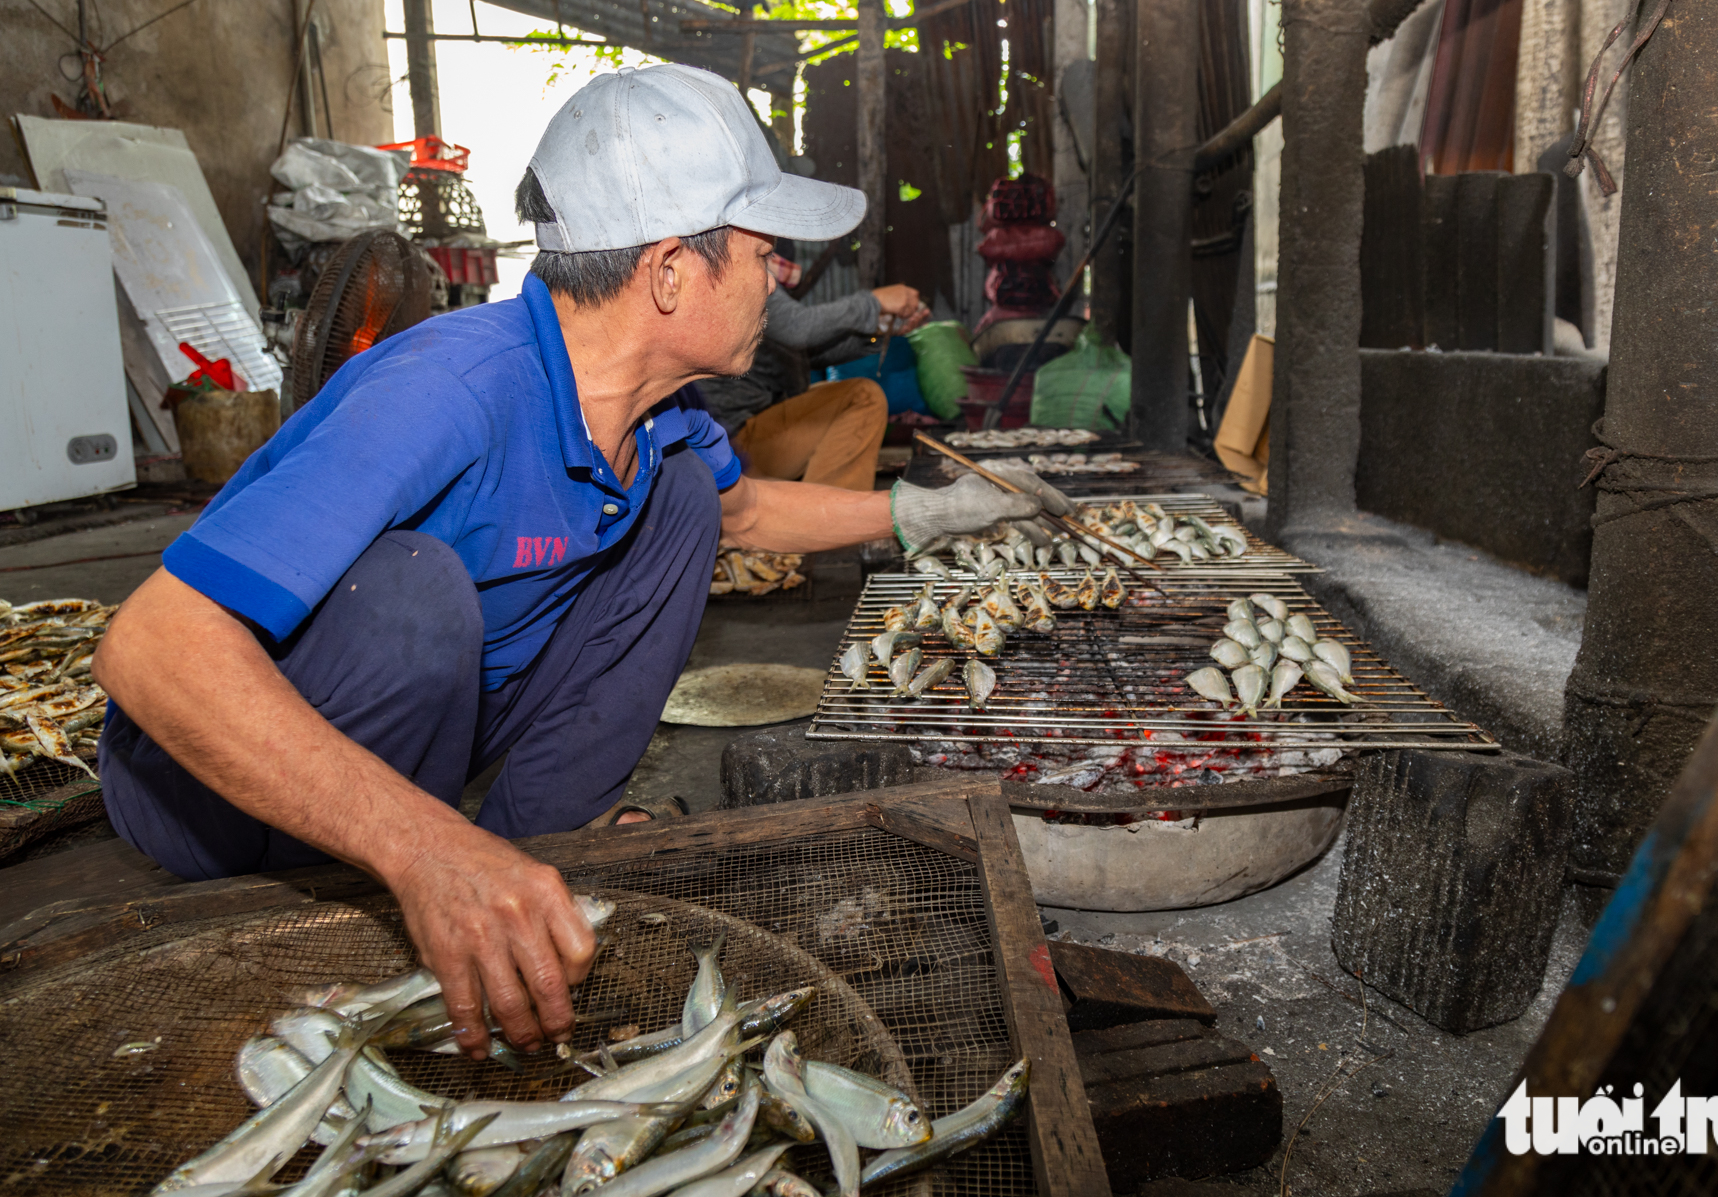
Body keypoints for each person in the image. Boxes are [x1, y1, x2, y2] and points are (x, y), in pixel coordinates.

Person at [92, 64, 1065, 1063]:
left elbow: (748, 512)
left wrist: (920, 512)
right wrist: (425, 848)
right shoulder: (446, 390)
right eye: (763, 251)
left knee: (684, 499)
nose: (779, 278)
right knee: (414, 593)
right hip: (212, 790)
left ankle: (539, 850)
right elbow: (151, 649)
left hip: (428, 731)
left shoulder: (659, 415)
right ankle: (382, 892)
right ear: (670, 270)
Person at [696, 277, 930, 491]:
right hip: (730, 442)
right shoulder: (737, 270)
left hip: (749, 429)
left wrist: (879, 329)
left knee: (828, 393)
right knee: (863, 397)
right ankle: (829, 516)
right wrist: (874, 302)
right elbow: (799, 328)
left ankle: (819, 504)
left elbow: (808, 353)